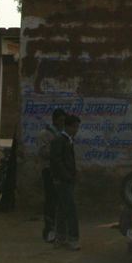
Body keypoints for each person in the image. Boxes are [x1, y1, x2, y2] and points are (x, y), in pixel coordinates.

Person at [50, 114, 81, 250]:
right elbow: (56, 161)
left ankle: (60, 237)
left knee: (62, 209)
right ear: (68, 126)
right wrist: (66, 176)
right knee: (71, 209)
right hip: (63, 180)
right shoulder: (60, 140)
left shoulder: (68, 140)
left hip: (67, 179)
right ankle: (73, 238)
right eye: (74, 127)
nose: (76, 130)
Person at [36, 107, 66, 242]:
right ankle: (49, 229)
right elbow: (43, 152)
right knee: (51, 199)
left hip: (60, 170)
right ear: (55, 120)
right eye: (60, 121)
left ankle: (58, 228)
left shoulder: (63, 134)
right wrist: (57, 151)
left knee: (59, 199)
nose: (62, 123)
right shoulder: (45, 134)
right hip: (48, 170)